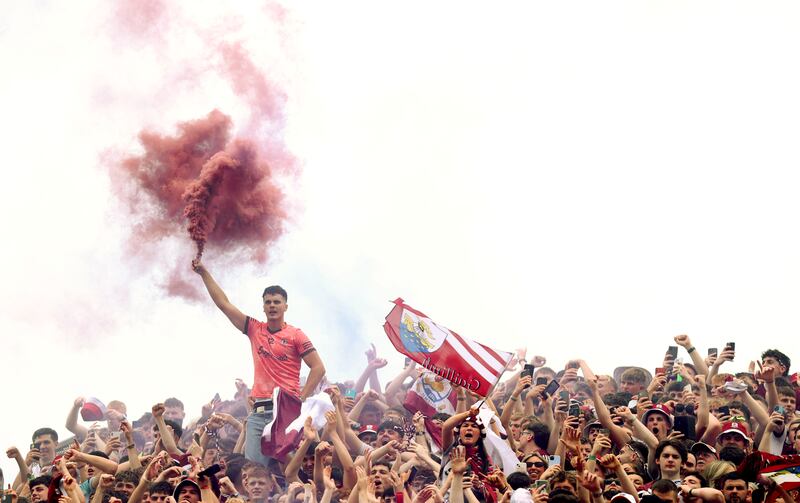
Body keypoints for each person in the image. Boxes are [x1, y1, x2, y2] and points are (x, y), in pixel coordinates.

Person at [193, 260, 326, 466]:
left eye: (277, 302)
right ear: (263, 306)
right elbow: (224, 304)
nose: (272, 305)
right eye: (268, 302)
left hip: (285, 410)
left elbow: (318, 368)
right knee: (254, 469)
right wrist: (203, 273)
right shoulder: (255, 329)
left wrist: (301, 397)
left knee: (291, 466)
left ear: (285, 306)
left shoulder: (296, 335)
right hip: (259, 412)